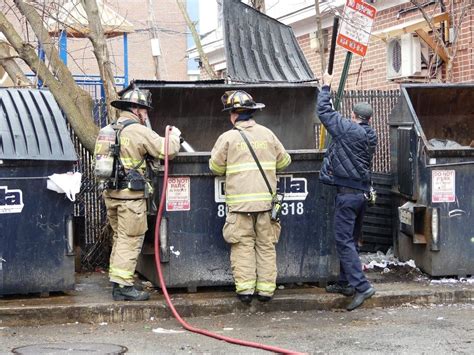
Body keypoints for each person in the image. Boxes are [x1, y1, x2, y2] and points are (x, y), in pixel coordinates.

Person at [209, 90, 291, 304]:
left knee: (242, 245)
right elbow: (284, 162)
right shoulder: (268, 134)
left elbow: (215, 167)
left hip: (239, 206)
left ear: (233, 114)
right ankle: (266, 291)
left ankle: (245, 291)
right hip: (266, 205)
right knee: (266, 245)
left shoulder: (227, 138)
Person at [101, 87, 181, 301]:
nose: (146, 115)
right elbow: (166, 150)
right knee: (130, 239)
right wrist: (175, 136)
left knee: (120, 238)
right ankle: (123, 287)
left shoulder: (108, 130)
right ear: (136, 109)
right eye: (144, 110)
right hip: (131, 199)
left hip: (111, 195)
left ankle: (118, 282)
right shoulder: (137, 130)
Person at [317, 72, 378, 311]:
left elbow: (324, 113)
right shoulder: (369, 135)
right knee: (350, 240)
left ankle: (362, 286)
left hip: (348, 194)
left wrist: (326, 87)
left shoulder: (349, 131)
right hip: (361, 194)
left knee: (343, 240)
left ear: (354, 116)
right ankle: (345, 282)